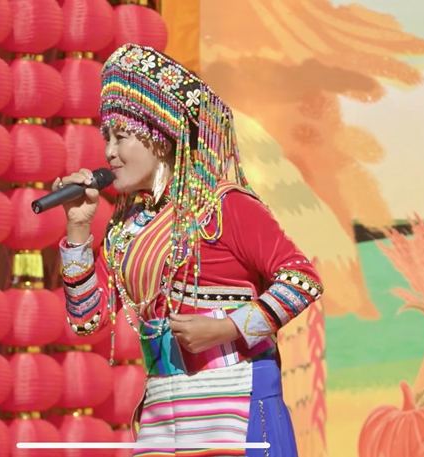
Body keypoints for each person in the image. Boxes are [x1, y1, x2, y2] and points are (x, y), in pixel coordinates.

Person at [54, 43, 323, 457]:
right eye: (106, 137)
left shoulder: (223, 206)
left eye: (121, 137)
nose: (109, 152)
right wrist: (77, 228)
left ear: (161, 138)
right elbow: (86, 320)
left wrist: (227, 328)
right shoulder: (125, 229)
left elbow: (302, 280)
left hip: (234, 397)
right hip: (163, 408)